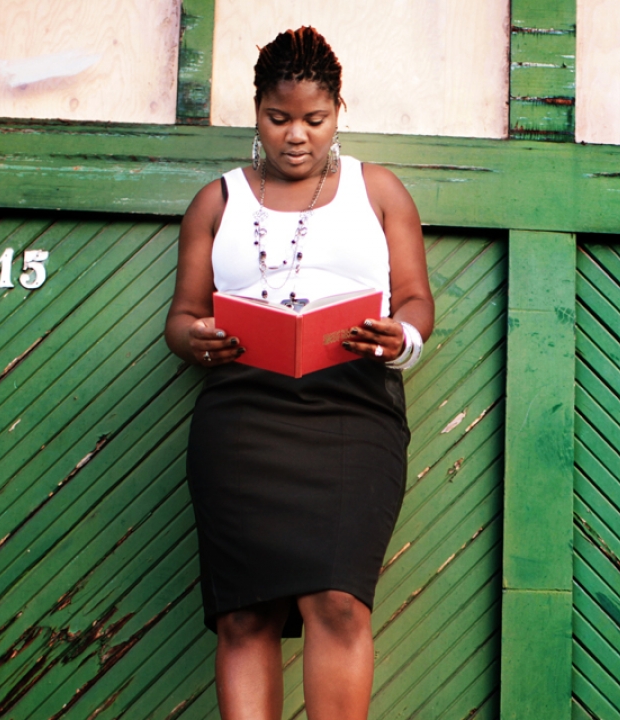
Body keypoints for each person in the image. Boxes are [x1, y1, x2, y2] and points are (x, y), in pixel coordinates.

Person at [164, 27, 433, 720]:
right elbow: (181, 318)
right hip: (243, 415)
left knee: (337, 602)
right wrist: (200, 339)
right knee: (244, 615)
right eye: (278, 119)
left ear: (338, 111)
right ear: (256, 111)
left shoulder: (378, 190)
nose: (295, 137)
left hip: (353, 410)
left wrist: (397, 337)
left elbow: (415, 301)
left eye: (314, 120)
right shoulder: (217, 201)